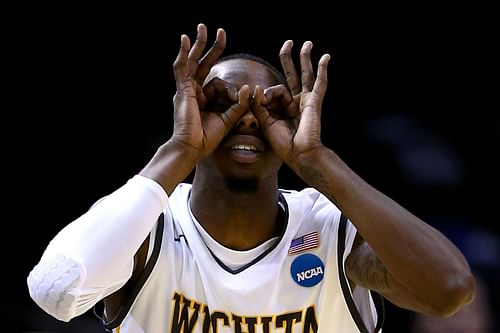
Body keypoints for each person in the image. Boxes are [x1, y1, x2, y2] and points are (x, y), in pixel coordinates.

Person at [27, 23, 475, 333]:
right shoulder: (148, 228)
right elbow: (56, 290)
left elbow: (450, 291)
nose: (245, 120)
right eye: (222, 104)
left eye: (269, 109)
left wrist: (320, 162)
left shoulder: (331, 233)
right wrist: (179, 149)